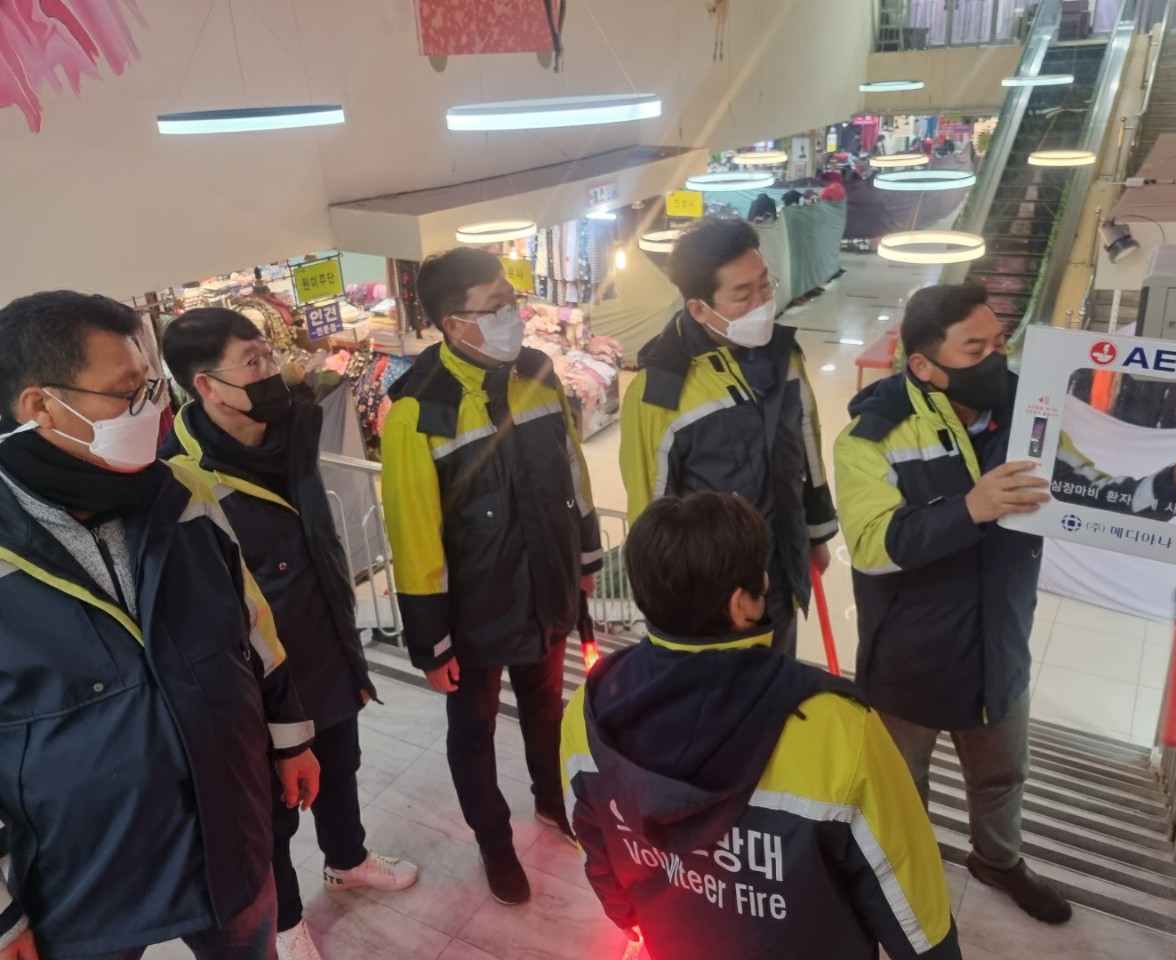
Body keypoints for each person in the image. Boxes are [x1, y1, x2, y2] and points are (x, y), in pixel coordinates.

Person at [834, 282, 1176, 926]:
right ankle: (905, 870)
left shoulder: (1030, 417)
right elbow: (871, 545)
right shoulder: (872, 437)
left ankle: (997, 861)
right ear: (924, 365)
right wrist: (970, 509)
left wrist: (1174, 484)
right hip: (909, 658)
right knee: (900, 784)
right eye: (974, 348)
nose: (995, 359)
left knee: (1003, 776)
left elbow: (1091, 488)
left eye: (1000, 342)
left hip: (1000, 645)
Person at [0, 291, 319, 960]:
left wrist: (290, 736)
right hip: (81, 882)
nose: (155, 412)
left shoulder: (183, 492)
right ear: (40, 406)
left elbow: (254, 626)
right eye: (128, 395)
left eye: (151, 389)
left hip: (228, 833)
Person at [560, 491, 961, 960]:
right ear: (741, 606)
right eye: (762, 578)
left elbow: (596, 849)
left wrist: (636, 919)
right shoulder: (836, 727)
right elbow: (911, 904)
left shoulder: (591, 709)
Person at [160, 308, 420, 960]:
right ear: (207, 386)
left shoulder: (294, 429)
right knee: (271, 811)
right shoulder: (179, 480)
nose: (270, 371)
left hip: (325, 641)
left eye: (267, 355)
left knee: (342, 766)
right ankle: (287, 920)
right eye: (252, 362)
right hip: (260, 681)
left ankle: (348, 859)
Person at [381, 248, 603, 906]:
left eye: (512, 301)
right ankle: (494, 840)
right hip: (475, 611)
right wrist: (432, 642)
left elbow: (573, 472)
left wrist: (586, 558)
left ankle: (551, 802)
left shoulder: (537, 372)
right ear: (454, 324)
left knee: (547, 707)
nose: (514, 316)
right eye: (496, 306)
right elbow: (414, 533)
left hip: (548, 583)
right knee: (473, 729)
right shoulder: (418, 411)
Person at [619, 217, 837, 658]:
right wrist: (669, 607)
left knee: (778, 678)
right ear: (699, 308)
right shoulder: (660, 392)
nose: (762, 303)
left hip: (783, 568)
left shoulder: (785, 355)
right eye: (743, 295)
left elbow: (808, 448)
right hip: (714, 598)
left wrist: (815, 536)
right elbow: (650, 509)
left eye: (765, 285)